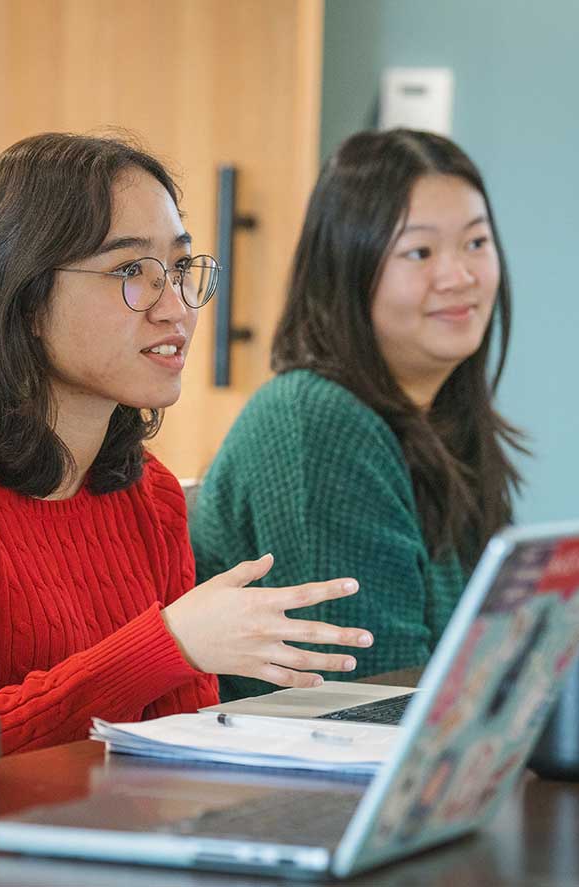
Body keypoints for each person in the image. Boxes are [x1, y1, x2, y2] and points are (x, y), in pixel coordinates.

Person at [0, 132, 374, 755]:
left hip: (125, 836)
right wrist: (165, 645)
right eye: (130, 271)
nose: (176, 307)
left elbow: (181, 745)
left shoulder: (153, 495)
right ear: (23, 293)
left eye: (178, 268)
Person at [191, 129, 527, 699]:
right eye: (419, 252)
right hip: (300, 778)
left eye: (476, 243)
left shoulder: (445, 417)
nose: (460, 276)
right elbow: (369, 694)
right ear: (348, 271)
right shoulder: (316, 420)